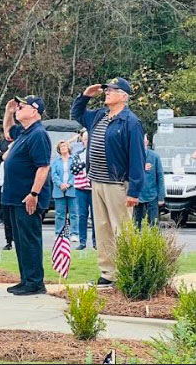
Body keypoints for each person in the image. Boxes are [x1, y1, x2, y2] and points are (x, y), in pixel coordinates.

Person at [71, 77, 145, 287]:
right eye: (107, 89)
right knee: (102, 228)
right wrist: (85, 95)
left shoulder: (131, 122)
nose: (107, 92)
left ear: (124, 96)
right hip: (97, 181)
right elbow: (77, 115)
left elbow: (137, 158)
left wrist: (134, 191)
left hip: (117, 184)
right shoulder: (100, 116)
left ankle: (125, 272)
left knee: (121, 229)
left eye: (113, 89)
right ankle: (108, 273)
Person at [2, 95, 52, 296]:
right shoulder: (24, 132)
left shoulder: (38, 134)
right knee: (20, 239)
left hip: (28, 197)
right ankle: (26, 279)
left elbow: (43, 166)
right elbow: (7, 132)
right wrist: (8, 112)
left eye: (22, 106)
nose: (18, 108)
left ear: (35, 111)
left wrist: (34, 193)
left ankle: (35, 282)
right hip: (15, 196)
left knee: (30, 239)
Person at [135, 135, 165, 227]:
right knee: (136, 224)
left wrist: (161, 197)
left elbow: (160, 177)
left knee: (154, 224)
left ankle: (154, 240)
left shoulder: (155, 157)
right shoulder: (133, 156)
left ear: (147, 142)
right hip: (137, 195)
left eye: (144, 141)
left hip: (152, 195)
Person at [51, 141, 79, 237]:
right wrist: (60, 184)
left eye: (64, 146)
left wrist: (69, 184)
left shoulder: (74, 159)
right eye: (61, 146)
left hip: (72, 190)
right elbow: (54, 175)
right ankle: (59, 233)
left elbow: (77, 173)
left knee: (74, 213)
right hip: (59, 190)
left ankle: (74, 233)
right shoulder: (55, 161)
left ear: (68, 147)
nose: (63, 148)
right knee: (60, 214)